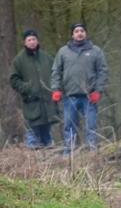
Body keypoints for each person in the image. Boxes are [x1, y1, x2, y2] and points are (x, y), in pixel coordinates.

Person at [51, 22, 109, 155]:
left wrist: (98, 90)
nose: (79, 33)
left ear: (86, 33)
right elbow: (56, 71)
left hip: (89, 97)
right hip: (69, 96)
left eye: (82, 30)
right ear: (72, 34)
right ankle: (69, 153)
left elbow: (103, 71)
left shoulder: (96, 51)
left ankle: (92, 152)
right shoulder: (63, 52)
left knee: (91, 126)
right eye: (76, 31)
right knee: (69, 126)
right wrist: (56, 89)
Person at [9, 29, 60, 148]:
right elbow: (14, 80)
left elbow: (56, 74)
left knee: (47, 131)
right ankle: (32, 158)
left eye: (34, 39)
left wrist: (55, 89)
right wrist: (27, 88)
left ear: (37, 41)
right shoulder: (18, 60)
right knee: (33, 129)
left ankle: (48, 157)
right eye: (29, 40)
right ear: (24, 42)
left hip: (47, 101)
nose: (32, 42)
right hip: (31, 102)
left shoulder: (47, 57)